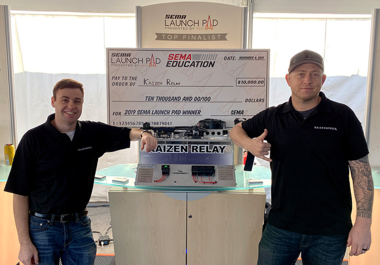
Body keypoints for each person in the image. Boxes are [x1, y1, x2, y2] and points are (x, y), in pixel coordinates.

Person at [230, 50, 374, 265]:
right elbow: (236, 130)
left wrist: (363, 224)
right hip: (281, 227)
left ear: (323, 79)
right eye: (300, 74)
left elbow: (361, 170)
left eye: (315, 74)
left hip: (330, 231)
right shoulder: (273, 116)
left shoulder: (343, 116)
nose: (308, 80)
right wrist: (250, 144)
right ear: (288, 79)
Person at [4, 79, 157, 265]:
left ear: (82, 104)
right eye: (64, 100)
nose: (71, 106)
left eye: (77, 101)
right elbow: (20, 193)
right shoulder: (33, 139)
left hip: (79, 226)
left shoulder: (91, 133)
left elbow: (125, 133)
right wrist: (24, 242)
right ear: (53, 102)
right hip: (42, 229)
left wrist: (144, 134)